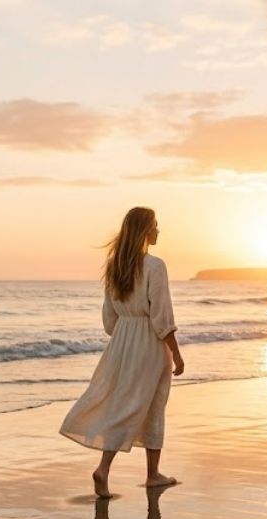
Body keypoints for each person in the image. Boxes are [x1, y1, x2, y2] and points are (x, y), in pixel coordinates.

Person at [59, 206, 184, 498]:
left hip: (122, 341)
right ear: (144, 230)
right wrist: (176, 353)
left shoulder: (115, 266)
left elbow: (109, 319)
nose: (158, 230)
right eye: (155, 225)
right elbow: (161, 316)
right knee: (153, 403)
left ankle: (111, 468)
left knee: (123, 404)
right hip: (149, 342)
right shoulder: (155, 266)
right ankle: (149, 474)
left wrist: (125, 338)